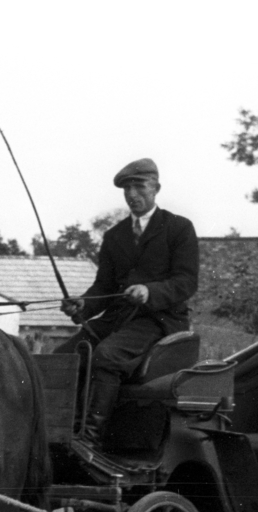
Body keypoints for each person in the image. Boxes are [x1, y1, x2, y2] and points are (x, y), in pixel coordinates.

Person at [58, 158, 198, 440]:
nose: (132, 194)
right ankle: (57, 429)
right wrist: (84, 303)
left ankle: (89, 437)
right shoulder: (114, 236)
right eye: (126, 188)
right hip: (119, 319)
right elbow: (104, 286)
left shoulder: (179, 228)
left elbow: (186, 281)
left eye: (139, 186)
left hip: (159, 320)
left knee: (107, 356)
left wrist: (150, 292)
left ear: (156, 188)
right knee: (62, 357)